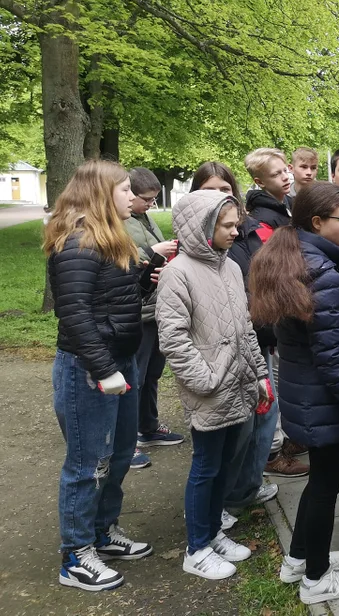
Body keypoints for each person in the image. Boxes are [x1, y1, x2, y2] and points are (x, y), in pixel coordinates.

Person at [249, 182, 339, 605]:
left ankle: (298, 558)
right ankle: (316, 579)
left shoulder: (288, 257)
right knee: (325, 486)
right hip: (325, 402)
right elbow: (335, 361)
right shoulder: (322, 274)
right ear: (317, 222)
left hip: (303, 396)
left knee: (318, 483)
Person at [45, 160, 154, 592]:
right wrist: (104, 369)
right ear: (100, 194)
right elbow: (74, 316)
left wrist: (144, 279)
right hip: (89, 369)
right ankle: (75, 555)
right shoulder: (77, 244)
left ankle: (103, 532)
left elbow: (113, 301)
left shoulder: (112, 240)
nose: (134, 197)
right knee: (88, 464)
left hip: (119, 363)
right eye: (125, 190)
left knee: (122, 453)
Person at [156, 190, 271, 580]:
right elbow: (173, 337)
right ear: (202, 226)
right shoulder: (177, 273)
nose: (236, 232)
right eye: (227, 225)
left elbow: (245, 327)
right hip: (210, 388)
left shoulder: (231, 268)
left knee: (226, 464)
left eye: (237, 224)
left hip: (239, 383)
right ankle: (196, 547)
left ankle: (212, 532)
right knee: (206, 465)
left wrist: (259, 373)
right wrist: (204, 380)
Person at [189, 163, 304, 515]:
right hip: (216, 353)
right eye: (210, 189)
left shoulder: (243, 231)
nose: (219, 196)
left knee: (261, 419)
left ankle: (242, 490)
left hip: (254, 340)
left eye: (225, 189)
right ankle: (216, 510)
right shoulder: (195, 249)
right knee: (226, 436)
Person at [125, 167, 182, 471]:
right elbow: (122, 258)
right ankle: (127, 439)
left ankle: (148, 426)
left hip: (155, 308)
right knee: (135, 376)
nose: (151, 204)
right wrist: (152, 250)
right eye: (146, 199)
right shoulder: (118, 221)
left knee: (152, 373)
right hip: (139, 313)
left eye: (153, 199)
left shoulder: (142, 218)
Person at [245, 148, 292, 237]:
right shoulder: (260, 221)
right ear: (260, 182)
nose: (285, 177)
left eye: (285, 170)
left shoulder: (291, 203)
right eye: (276, 174)